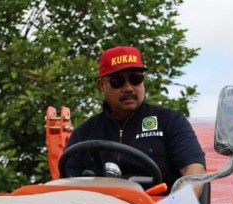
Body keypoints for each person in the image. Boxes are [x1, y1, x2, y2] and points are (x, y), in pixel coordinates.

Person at [63, 45, 206, 191]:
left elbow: (194, 172)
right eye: (118, 81)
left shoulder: (170, 121)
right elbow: (67, 187)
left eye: (135, 79)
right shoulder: (84, 134)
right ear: (102, 86)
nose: (128, 88)